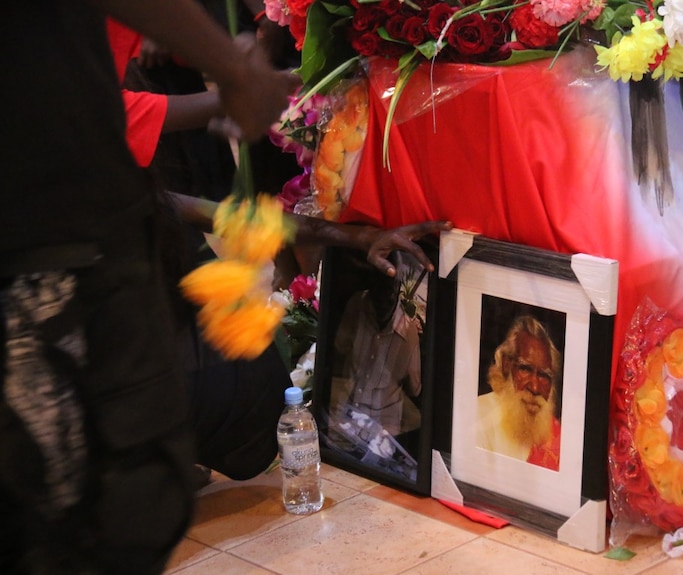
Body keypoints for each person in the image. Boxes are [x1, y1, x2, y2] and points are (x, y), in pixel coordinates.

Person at [0, 2, 447, 574]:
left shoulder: (86, 101)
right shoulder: (58, 105)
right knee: (128, 480)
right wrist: (237, 72)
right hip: (52, 290)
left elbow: (195, 206)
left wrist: (348, 235)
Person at [333, 254, 426, 437]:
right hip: (347, 416)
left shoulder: (407, 329)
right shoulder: (356, 306)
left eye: (389, 294)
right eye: (379, 293)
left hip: (384, 429)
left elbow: (415, 388)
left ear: (398, 289)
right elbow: (340, 348)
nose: (383, 303)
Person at [476, 315, 563, 471]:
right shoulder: (479, 415)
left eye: (544, 376)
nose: (535, 388)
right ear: (507, 365)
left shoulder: (555, 433)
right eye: (525, 369)